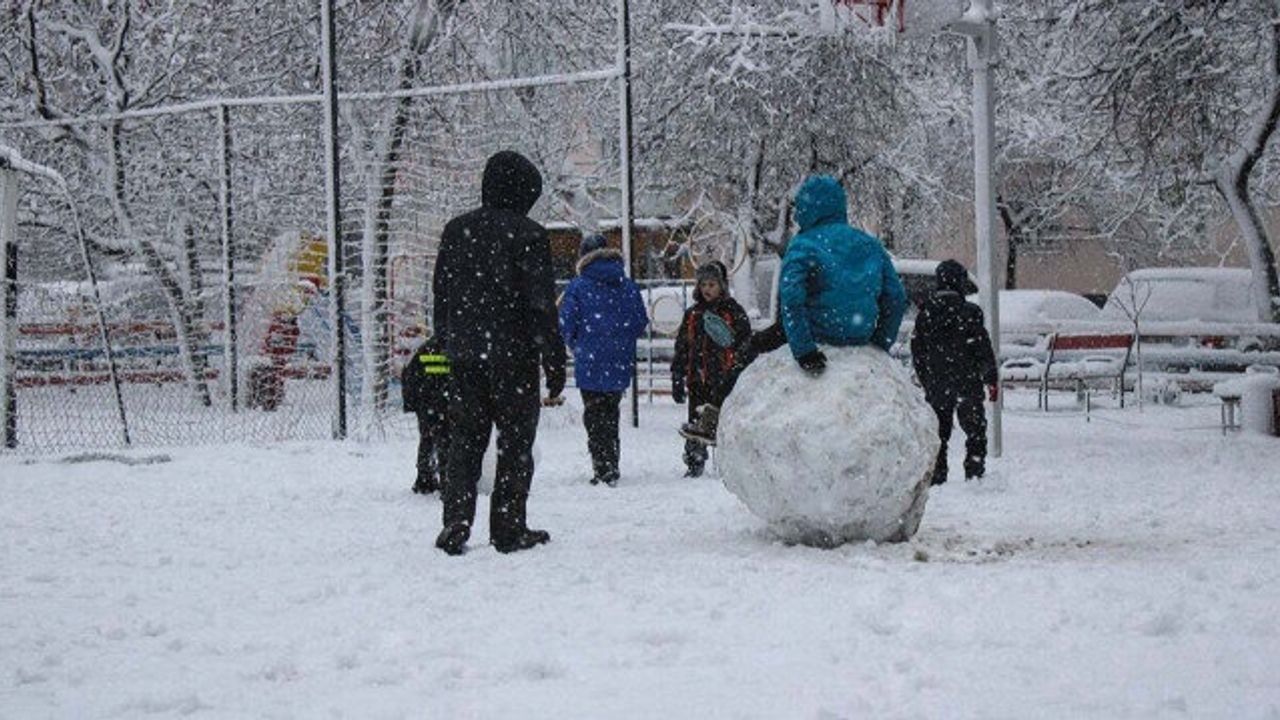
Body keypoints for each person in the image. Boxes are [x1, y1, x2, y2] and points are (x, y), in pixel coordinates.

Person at [431, 150, 566, 555]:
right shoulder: (529, 235)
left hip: (465, 355)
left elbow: (442, 295)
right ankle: (508, 527)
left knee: (465, 441)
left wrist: (448, 344)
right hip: (514, 357)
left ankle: (456, 520)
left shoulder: (456, 231)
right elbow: (540, 304)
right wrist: (554, 358)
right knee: (514, 442)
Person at [779, 175, 908, 376]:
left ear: (806, 207)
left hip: (819, 344)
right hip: (864, 353)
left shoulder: (802, 245)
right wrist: (881, 340)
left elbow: (791, 298)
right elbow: (896, 297)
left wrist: (804, 350)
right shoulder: (870, 245)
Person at [558, 234, 649, 487]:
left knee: (594, 414)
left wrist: (577, 342)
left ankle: (602, 466)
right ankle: (611, 463)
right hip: (619, 359)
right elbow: (640, 321)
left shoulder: (577, 286)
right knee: (611, 411)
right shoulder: (627, 285)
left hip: (590, 358)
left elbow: (566, 323)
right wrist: (620, 339)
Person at [910, 259, 998, 484]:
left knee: (939, 432)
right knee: (975, 429)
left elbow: (917, 350)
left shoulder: (926, 313)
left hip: (938, 382)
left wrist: (926, 378)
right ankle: (974, 470)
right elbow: (982, 348)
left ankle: (938, 473)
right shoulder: (971, 313)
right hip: (967, 380)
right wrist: (990, 377)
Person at [670, 261, 751, 476]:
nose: (707, 289)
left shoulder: (733, 311)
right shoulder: (693, 314)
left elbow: (746, 343)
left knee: (724, 420)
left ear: (722, 285)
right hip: (697, 378)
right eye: (703, 284)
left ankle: (730, 464)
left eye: (712, 284)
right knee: (696, 422)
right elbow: (682, 348)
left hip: (724, 380)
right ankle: (694, 461)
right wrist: (677, 376)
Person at [400, 334, 451, 495]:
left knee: (427, 439)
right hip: (444, 403)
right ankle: (447, 480)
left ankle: (424, 479)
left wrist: (412, 404)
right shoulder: (457, 348)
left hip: (426, 402)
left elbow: (409, 375)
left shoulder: (426, 348)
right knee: (446, 441)